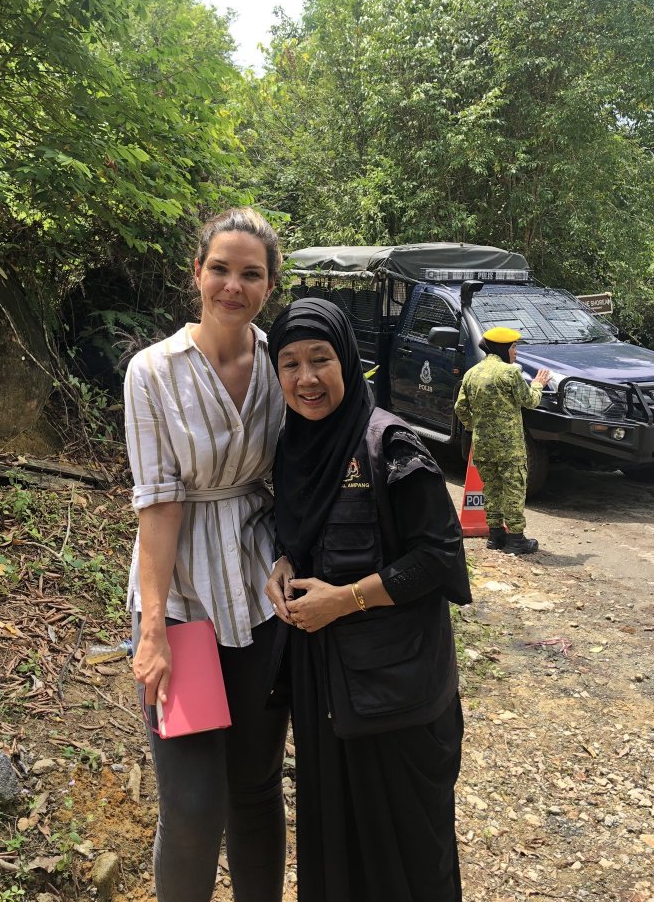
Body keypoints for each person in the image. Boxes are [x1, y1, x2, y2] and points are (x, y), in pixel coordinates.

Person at [265, 298, 471, 902]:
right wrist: (282, 563)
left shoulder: (391, 445)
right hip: (324, 685)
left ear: (349, 362)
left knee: (408, 852)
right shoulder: (293, 447)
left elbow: (439, 557)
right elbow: (299, 533)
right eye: (290, 364)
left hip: (395, 692)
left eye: (320, 359)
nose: (306, 378)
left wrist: (345, 600)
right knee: (336, 838)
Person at [124, 207, 289, 902]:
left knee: (255, 787)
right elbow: (159, 503)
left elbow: (302, 472)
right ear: (196, 273)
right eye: (220, 269)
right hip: (183, 602)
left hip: (261, 594)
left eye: (251, 274)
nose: (232, 286)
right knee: (193, 804)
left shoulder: (283, 362)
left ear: (269, 285)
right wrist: (152, 629)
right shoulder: (154, 371)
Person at [454, 326, 551, 554]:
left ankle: (495, 536)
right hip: (510, 448)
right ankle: (516, 539)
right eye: (513, 347)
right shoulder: (510, 373)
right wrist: (538, 384)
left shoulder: (472, 373)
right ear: (503, 347)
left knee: (492, 489)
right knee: (514, 490)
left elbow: (460, 408)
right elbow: (530, 401)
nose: (515, 352)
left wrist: (474, 427)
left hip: (483, 445)